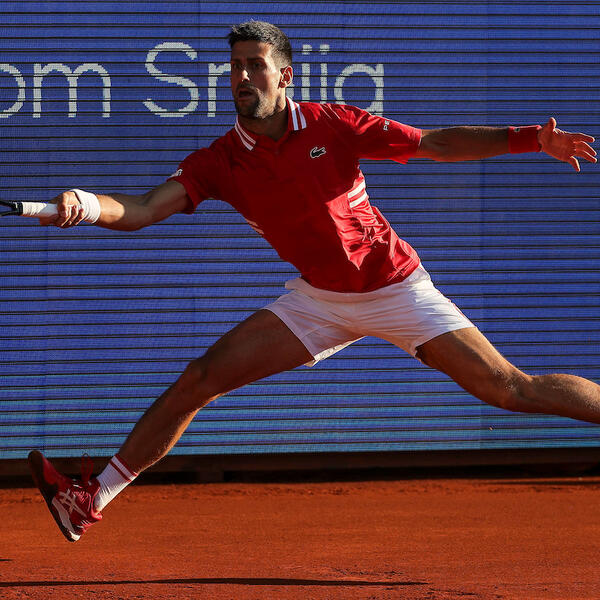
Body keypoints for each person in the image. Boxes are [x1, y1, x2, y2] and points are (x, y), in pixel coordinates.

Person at [28, 20, 598, 542]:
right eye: (235, 67)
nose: (242, 77)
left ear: (285, 76)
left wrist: (530, 138)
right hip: (319, 301)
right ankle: (89, 499)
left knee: (508, 389)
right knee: (201, 378)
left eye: (255, 65)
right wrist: (84, 203)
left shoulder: (334, 123)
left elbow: (434, 144)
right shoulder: (219, 161)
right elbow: (144, 208)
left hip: (396, 288)